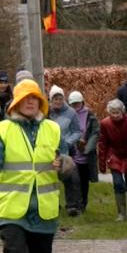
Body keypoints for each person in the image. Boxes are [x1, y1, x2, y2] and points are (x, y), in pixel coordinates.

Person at [1, 79, 70, 253]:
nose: (30, 103)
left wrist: (64, 164)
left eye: (35, 99)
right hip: (12, 209)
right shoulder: (3, 130)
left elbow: (65, 158)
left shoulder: (52, 128)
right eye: (25, 99)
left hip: (44, 209)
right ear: (16, 103)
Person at [98, 99, 127, 221]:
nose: (115, 115)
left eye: (117, 112)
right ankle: (121, 213)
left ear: (123, 112)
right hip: (114, 155)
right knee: (118, 183)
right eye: (113, 113)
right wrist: (102, 163)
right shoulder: (105, 124)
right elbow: (103, 143)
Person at [47, 86, 83, 215]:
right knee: (50, 179)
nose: (58, 101)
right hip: (48, 150)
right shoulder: (46, 112)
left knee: (71, 178)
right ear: (50, 99)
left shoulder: (71, 113)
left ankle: (72, 206)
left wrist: (68, 142)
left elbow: (77, 132)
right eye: (55, 99)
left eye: (60, 98)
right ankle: (53, 205)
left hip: (65, 152)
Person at [67, 92, 99, 213]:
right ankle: (74, 204)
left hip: (86, 154)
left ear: (82, 102)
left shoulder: (90, 115)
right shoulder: (68, 115)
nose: (75, 106)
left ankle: (83, 204)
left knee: (84, 181)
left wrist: (87, 148)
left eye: (77, 103)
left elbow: (95, 133)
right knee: (74, 181)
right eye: (73, 104)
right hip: (72, 153)